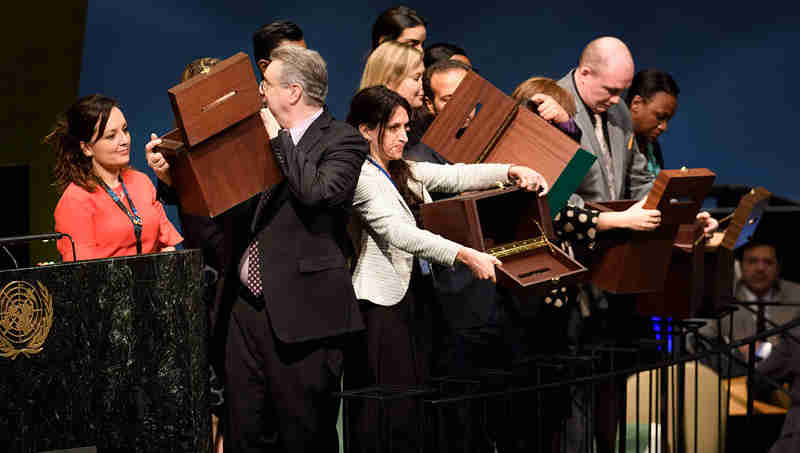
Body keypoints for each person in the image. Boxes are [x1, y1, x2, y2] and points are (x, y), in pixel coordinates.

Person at [344, 85, 546, 452]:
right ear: (365, 130)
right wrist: (466, 255)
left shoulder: (400, 170)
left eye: (406, 126)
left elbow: (455, 177)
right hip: (381, 308)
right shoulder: (362, 175)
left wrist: (513, 169)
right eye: (394, 128)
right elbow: (399, 232)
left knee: (413, 408)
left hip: (416, 300)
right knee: (387, 409)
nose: (405, 135)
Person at [221, 45, 368, 453]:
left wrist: (280, 140)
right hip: (247, 310)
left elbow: (316, 194)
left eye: (265, 85)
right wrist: (172, 180)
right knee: (244, 433)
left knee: (305, 436)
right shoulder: (255, 138)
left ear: (293, 92)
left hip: (306, 317)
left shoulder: (344, 141)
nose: (259, 93)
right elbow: (224, 202)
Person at [48, 94, 182, 262]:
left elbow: (167, 246)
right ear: (87, 148)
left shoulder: (142, 182)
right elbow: (82, 275)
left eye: (125, 130)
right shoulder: (75, 200)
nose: (124, 140)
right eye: (111, 136)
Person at [625, 69, 680, 177]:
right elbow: (580, 177)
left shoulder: (651, 146)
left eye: (668, 119)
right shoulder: (601, 136)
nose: (664, 127)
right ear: (636, 103)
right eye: (659, 117)